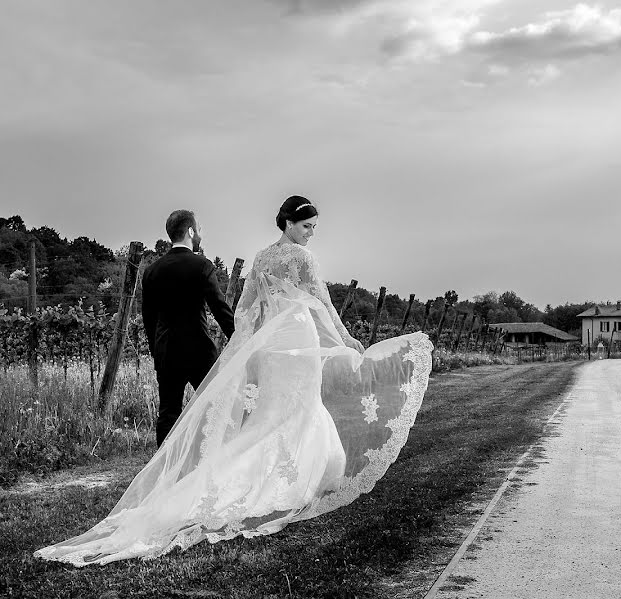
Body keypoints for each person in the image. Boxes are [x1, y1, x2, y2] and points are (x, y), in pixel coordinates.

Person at [34, 196, 434, 566]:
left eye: (314, 227)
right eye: (308, 226)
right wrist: (346, 338)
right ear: (290, 224)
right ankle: (286, 478)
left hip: (263, 342)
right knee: (293, 407)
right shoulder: (301, 259)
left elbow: (245, 312)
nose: (312, 233)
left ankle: (190, 470)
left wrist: (247, 346)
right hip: (295, 336)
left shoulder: (253, 259)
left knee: (266, 412)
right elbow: (322, 302)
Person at [141, 210, 236, 447]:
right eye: (199, 229)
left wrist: (157, 351)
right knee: (214, 405)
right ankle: (209, 457)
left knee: (168, 411)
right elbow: (220, 308)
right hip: (199, 350)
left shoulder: (152, 271)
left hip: (166, 350)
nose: (201, 233)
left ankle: (163, 469)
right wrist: (239, 338)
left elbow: (148, 318)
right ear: (191, 232)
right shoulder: (202, 266)